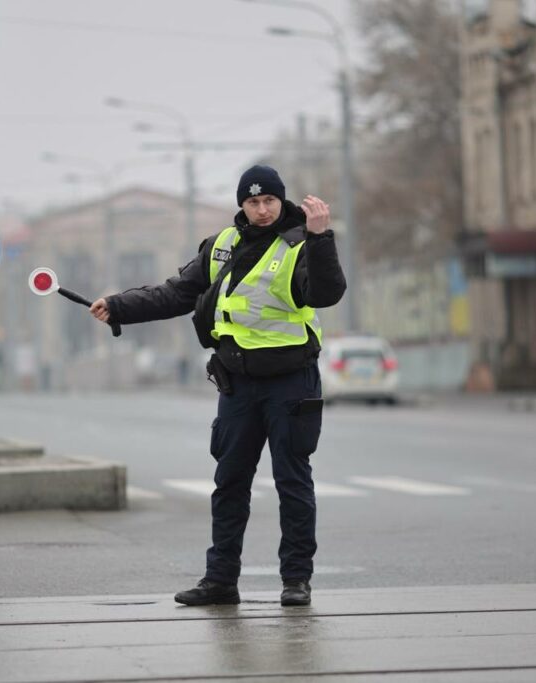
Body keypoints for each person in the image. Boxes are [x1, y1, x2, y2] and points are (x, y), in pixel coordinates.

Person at [90, 165, 346, 607]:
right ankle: (220, 581)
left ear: (281, 202)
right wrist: (118, 307)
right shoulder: (221, 246)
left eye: (269, 201)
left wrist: (322, 238)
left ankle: (296, 580)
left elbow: (326, 293)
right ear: (241, 205)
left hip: (291, 382)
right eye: (252, 202)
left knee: (292, 481)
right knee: (229, 483)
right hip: (239, 385)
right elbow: (175, 293)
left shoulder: (300, 242)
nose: (262, 210)